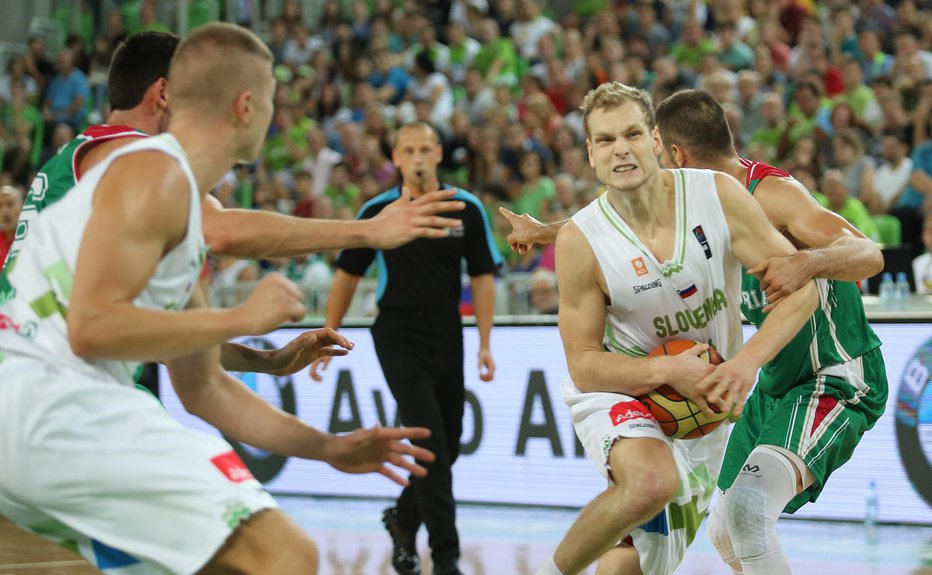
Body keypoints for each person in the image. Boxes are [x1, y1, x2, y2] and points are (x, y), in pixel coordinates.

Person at [0, 23, 434, 575]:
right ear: (246, 105)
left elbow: (202, 387)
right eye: (275, 97)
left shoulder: (156, 208)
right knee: (284, 556)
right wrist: (364, 234)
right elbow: (93, 327)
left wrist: (325, 444)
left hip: (29, 411)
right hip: (56, 406)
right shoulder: (149, 166)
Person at [504, 87, 887, 575]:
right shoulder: (672, 202)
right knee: (725, 527)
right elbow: (624, 219)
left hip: (831, 371)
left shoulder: (764, 195)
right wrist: (545, 231)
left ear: (667, 149)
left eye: (637, 138)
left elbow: (869, 255)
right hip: (765, 386)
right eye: (607, 140)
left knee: (747, 514)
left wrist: (807, 262)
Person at [0, 31, 465, 384]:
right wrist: (366, 231)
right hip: (55, 388)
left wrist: (269, 362)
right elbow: (220, 229)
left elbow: (172, 339)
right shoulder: (129, 155)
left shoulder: (82, 162)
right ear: (164, 94)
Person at [310, 122, 502, 575]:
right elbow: (346, 276)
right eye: (408, 150)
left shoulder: (466, 207)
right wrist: (325, 334)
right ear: (395, 158)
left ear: (438, 154)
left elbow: (482, 276)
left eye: (425, 149)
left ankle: (402, 518)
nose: (417, 158)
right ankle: (447, 558)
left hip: (446, 330)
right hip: (395, 332)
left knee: (448, 444)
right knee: (430, 442)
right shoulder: (377, 210)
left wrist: (486, 343)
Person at [0, 185, 22, 265]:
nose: (5, 211)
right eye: (0, 205)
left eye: (10, 204)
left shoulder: (33, 238)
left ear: (22, 206)